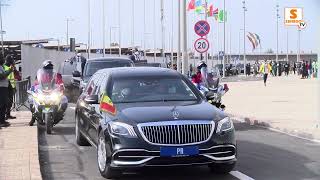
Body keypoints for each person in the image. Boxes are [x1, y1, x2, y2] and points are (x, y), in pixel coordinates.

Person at [29, 60, 68, 126]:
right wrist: (33, 88)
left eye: (50, 67)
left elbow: (60, 82)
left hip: (53, 92)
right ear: (44, 68)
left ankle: (60, 114)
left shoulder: (57, 75)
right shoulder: (41, 75)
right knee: (32, 99)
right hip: (43, 92)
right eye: (47, 67)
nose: (49, 69)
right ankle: (33, 118)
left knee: (64, 99)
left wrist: (61, 86)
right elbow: (36, 83)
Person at [0, 56, 12, 127]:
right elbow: (1, 76)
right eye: (1, 58)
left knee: (4, 104)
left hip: (4, 88)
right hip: (1, 88)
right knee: (2, 105)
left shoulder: (1, 67)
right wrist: (9, 70)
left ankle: (2, 120)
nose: (3, 59)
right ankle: (1, 121)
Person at [3, 55, 16, 120]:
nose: (12, 61)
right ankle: (5, 115)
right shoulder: (4, 67)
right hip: (6, 86)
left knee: (10, 101)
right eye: (11, 60)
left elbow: (13, 76)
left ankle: (8, 114)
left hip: (11, 86)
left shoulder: (11, 67)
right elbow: (5, 76)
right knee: (6, 102)